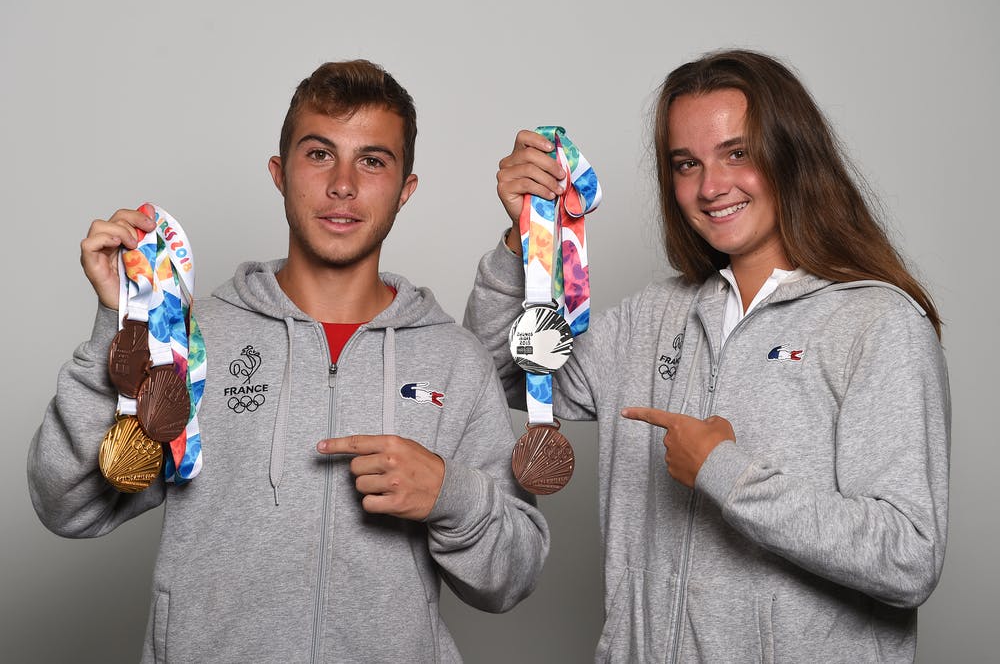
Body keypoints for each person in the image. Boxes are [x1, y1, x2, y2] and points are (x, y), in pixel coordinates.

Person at [28, 60, 549, 663]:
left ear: (406, 188)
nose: (343, 185)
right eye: (320, 154)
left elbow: (513, 576)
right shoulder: (194, 338)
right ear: (280, 174)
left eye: (373, 161)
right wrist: (124, 327)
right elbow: (66, 504)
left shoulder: (454, 360)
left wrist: (450, 495)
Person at [465, 49, 949, 662]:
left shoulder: (877, 324)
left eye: (737, 153)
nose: (711, 186)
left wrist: (725, 471)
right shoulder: (650, 319)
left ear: (792, 154)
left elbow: (908, 557)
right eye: (686, 163)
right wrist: (521, 240)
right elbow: (491, 376)